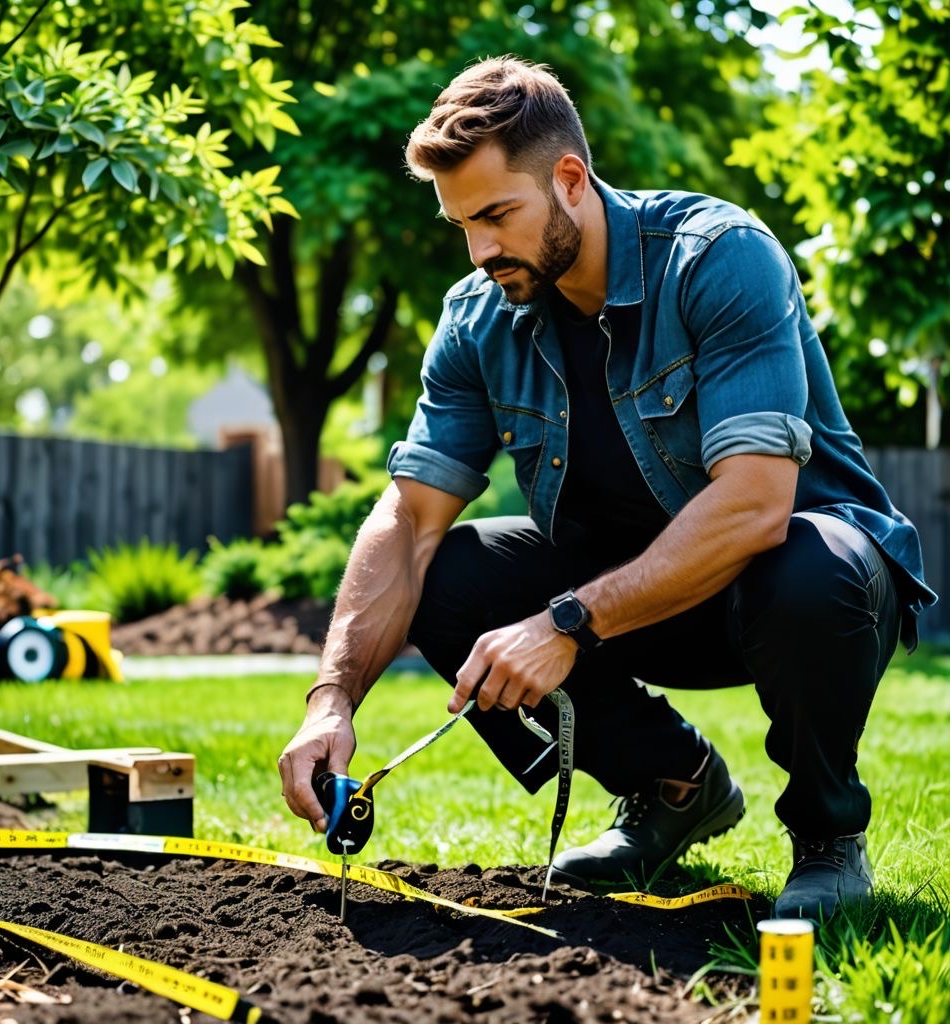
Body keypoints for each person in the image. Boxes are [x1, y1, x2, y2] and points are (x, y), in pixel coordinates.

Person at [277, 56, 937, 922]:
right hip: (630, 599)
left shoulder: (717, 258)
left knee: (811, 566)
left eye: (497, 216)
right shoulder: (479, 316)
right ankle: (673, 786)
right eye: (461, 225)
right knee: (449, 577)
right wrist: (330, 701)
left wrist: (566, 625)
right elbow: (408, 519)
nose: (480, 251)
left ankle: (826, 834)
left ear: (570, 179)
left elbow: (755, 504)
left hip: (796, 589)